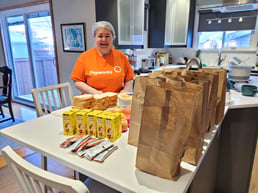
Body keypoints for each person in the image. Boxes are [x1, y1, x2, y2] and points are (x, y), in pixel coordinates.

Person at [70, 21, 135, 94]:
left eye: (107, 36)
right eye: (100, 36)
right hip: (93, 100)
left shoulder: (121, 56)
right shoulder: (84, 57)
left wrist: (125, 91)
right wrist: (96, 93)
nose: (104, 39)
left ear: (113, 37)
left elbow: (129, 78)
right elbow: (78, 82)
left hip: (115, 101)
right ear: (95, 37)